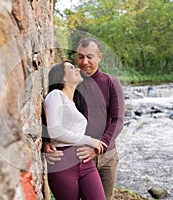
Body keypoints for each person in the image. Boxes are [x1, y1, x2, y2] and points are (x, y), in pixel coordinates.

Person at [43, 37, 125, 200]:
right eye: (80, 57)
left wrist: (98, 146)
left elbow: (118, 120)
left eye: (90, 56)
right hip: (74, 154)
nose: (85, 61)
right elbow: (51, 116)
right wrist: (47, 142)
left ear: (99, 57)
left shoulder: (111, 83)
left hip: (105, 154)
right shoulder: (73, 84)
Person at [43, 61, 107, 200]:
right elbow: (55, 131)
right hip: (63, 163)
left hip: (85, 162)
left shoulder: (75, 102)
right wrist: (89, 140)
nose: (77, 68)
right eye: (71, 67)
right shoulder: (55, 95)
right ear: (63, 77)